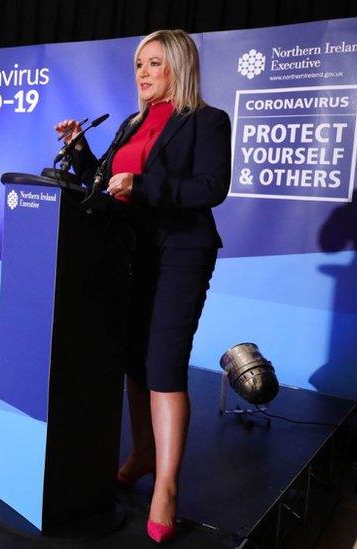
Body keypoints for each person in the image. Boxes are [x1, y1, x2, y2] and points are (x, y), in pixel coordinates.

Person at [55, 29, 229, 543]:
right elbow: (106, 182)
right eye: (138, 64)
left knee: (164, 368)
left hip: (180, 254)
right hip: (129, 255)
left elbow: (210, 188)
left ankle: (167, 488)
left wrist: (144, 186)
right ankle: (142, 454)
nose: (143, 73)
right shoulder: (131, 123)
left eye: (154, 63)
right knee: (133, 362)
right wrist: (80, 152)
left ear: (178, 66)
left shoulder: (206, 121)